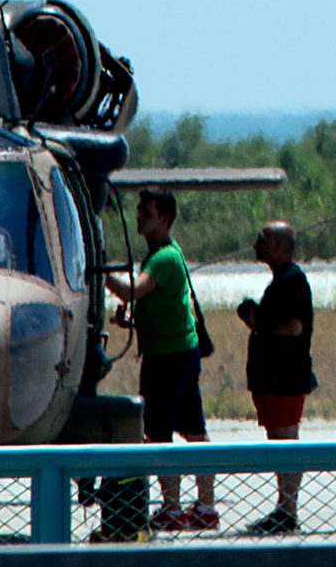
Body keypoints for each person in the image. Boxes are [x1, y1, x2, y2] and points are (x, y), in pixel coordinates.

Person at [104, 187, 217, 531]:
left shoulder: (164, 257)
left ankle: (172, 507)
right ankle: (205, 506)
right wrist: (133, 320)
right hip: (178, 352)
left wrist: (97, 270)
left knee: (159, 433)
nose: (139, 217)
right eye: (139, 211)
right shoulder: (160, 255)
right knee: (194, 430)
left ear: (164, 219)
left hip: (169, 359)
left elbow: (132, 291)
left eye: (146, 212)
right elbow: (154, 303)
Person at [234, 221, 315, 534]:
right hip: (274, 379)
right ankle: (284, 508)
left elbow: (293, 327)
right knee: (279, 438)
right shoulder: (281, 280)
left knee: (285, 439)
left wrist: (257, 323)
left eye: (262, 239)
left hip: (286, 377)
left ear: (279, 246)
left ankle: (287, 510)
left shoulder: (293, 282)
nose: (255, 244)